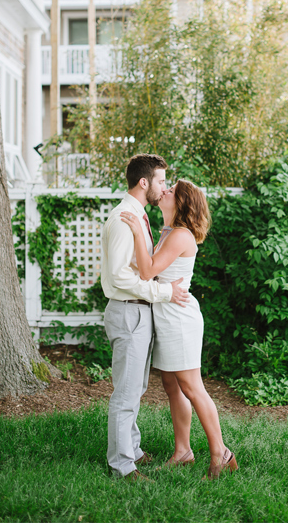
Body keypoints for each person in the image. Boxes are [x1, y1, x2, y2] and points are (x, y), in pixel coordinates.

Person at [120, 179, 239, 480]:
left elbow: (147, 271)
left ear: (182, 202)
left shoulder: (181, 236)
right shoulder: (168, 231)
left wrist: (135, 230)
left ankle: (221, 454)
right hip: (165, 313)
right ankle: (183, 451)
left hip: (179, 318)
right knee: (172, 386)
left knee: (192, 387)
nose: (165, 190)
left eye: (171, 190)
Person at [100, 153, 189, 481]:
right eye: (162, 181)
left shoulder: (137, 214)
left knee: (134, 388)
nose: (164, 187)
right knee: (125, 392)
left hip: (137, 311)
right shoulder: (125, 217)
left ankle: (132, 448)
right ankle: (123, 465)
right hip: (128, 311)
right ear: (144, 182)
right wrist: (165, 293)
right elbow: (120, 276)